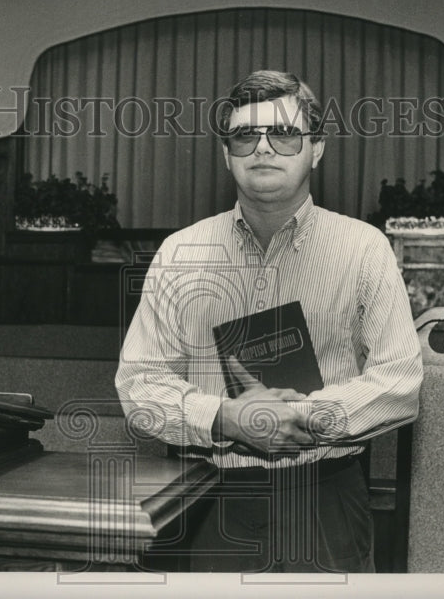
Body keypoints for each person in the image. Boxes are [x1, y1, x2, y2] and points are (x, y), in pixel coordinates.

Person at [115, 70, 423, 573]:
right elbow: (139, 386)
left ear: (316, 149)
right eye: (244, 136)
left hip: (325, 499)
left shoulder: (365, 249)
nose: (263, 148)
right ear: (226, 154)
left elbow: (401, 384)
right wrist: (225, 419)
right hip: (206, 497)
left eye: (283, 133)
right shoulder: (179, 253)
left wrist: (304, 415)